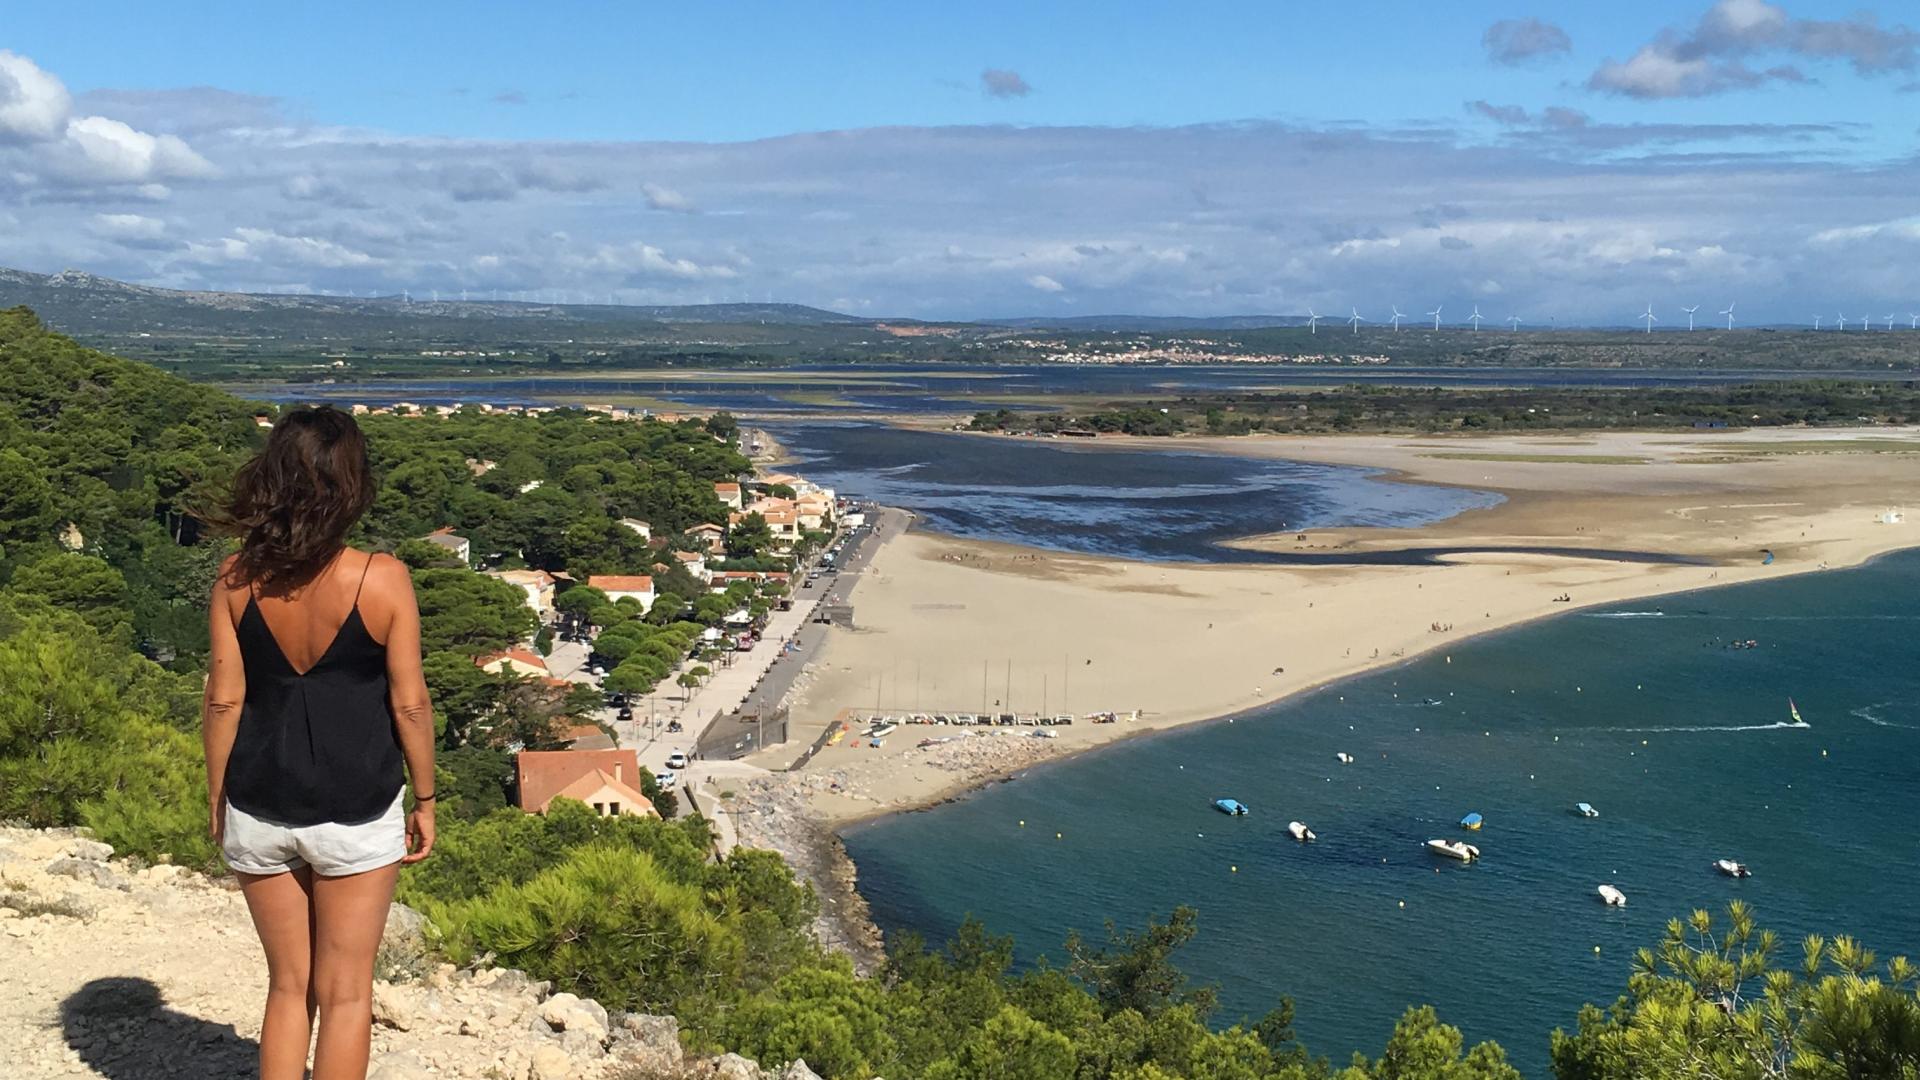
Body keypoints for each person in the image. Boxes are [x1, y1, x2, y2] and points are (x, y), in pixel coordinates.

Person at [201, 406, 437, 1080]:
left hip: (258, 801)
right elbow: (410, 703)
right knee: (346, 995)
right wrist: (425, 797)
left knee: (286, 989)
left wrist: (218, 797)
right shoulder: (381, 577)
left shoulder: (234, 577)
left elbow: (223, 698)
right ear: (351, 486)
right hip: (357, 809)